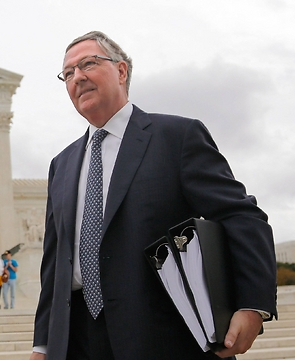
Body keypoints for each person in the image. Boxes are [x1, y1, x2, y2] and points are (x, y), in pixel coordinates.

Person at [31, 31, 277, 360]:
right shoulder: (60, 165)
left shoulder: (176, 138)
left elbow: (241, 216)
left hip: (165, 335)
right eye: (69, 72)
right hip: (79, 341)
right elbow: (55, 261)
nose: (78, 76)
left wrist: (252, 305)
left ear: (121, 71)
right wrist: (43, 344)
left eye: (88, 63)